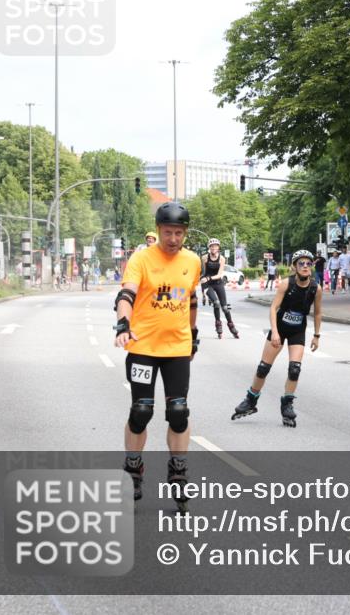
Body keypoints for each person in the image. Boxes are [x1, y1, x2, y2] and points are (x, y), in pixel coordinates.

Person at [113, 202, 202, 513]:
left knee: (179, 411)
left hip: (177, 348)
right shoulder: (141, 259)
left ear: (185, 233)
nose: (173, 238)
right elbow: (126, 294)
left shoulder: (193, 261)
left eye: (179, 233)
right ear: (159, 229)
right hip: (142, 348)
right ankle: (133, 468)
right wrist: (123, 322)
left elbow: (191, 298)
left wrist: (193, 334)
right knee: (141, 411)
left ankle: (178, 472)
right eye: (168, 232)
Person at [232, 249, 322, 427]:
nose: (305, 266)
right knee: (263, 368)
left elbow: (318, 313)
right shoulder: (286, 284)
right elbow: (273, 308)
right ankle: (251, 400)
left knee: (294, 369)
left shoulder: (315, 288)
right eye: (301, 263)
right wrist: (274, 331)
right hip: (279, 328)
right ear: (294, 267)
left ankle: (287, 404)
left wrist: (317, 336)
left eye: (308, 263)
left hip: (298, 330)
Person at [200, 238, 239, 339]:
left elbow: (219, 275)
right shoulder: (204, 258)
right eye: (212, 246)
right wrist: (203, 292)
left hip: (218, 283)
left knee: (225, 308)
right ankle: (218, 324)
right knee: (216, 303)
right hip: (208, 285)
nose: (213, 248)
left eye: (215, 246)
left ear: (218, 248)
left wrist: (208, 277)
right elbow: (203, 274)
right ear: (209, 248)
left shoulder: (222, 259)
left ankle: (231, 325)